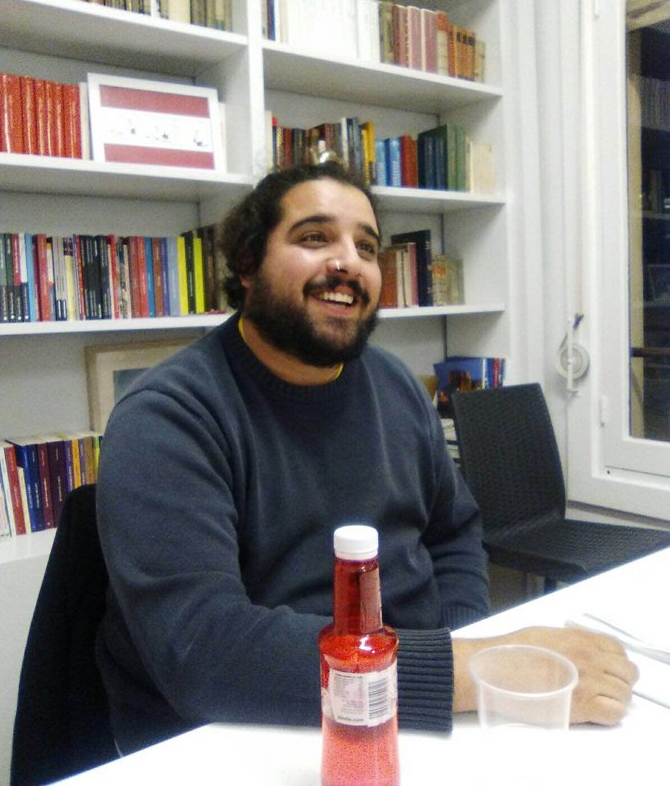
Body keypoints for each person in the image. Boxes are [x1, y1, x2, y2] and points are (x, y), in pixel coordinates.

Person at [95, 161, 637, 755]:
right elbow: (203, 651)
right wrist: (476, 669)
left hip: (413, 705)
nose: (348, 262)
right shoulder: (167, 417)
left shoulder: (395, 383)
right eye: (314, 237)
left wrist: (463, 642)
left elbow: (454, 532)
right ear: (247, 265)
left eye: (368, 247)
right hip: (246, 729)